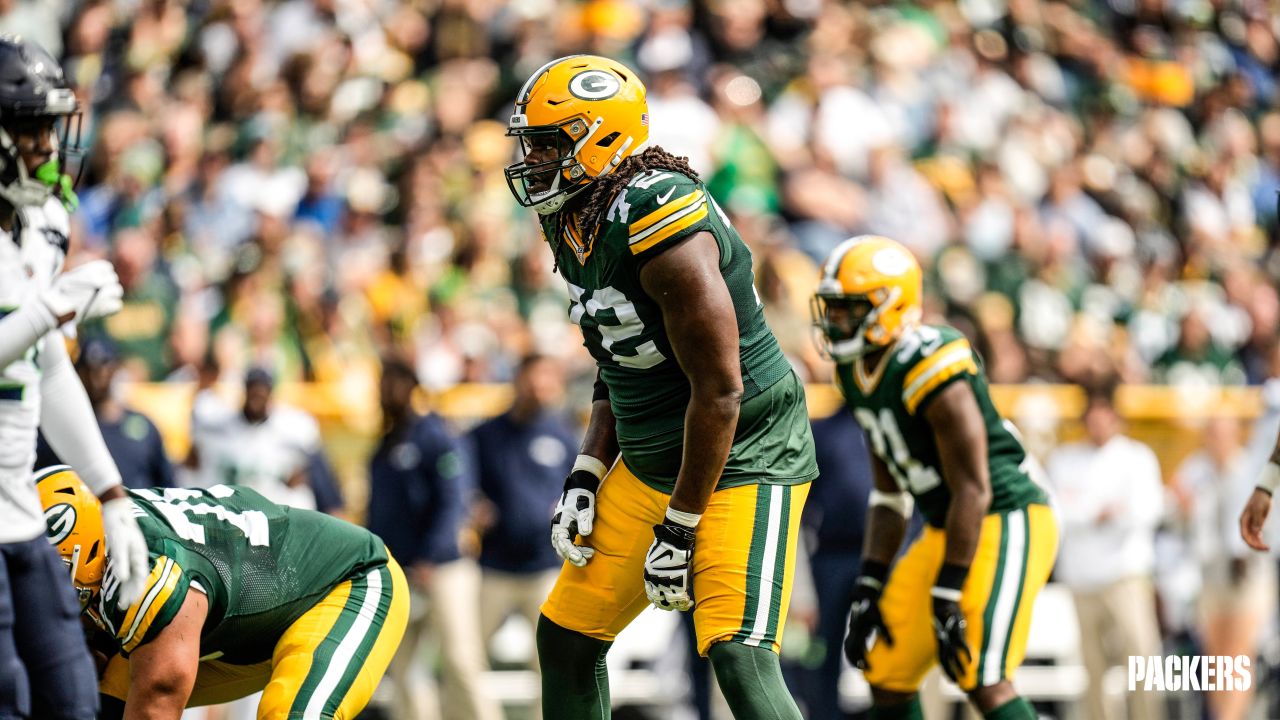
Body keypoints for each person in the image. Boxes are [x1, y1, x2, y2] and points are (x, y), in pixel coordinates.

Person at [505, 55, 819, 720]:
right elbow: (616, 354)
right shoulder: (574, 214)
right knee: (565, 639)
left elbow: (722, 391)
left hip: (743, 454)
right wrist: (589, 470)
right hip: (655, 456)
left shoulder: (659, 217)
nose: (534, 160)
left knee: (738, 654)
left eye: (549, 144)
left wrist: (679, 530)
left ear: (604, 139)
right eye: (530, 144)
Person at [811, 235, 1057, 720]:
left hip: (1005, 516)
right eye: (832, 309)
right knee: (886, 669)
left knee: (981, 675)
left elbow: (974, 486)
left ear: (890, 307)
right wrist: (871, 579)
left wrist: (948, 590)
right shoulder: (854, 371)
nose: (835, 321)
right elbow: (888, 494)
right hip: (949, 525)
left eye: (849, 309)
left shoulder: (932, 362)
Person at [0, 35, 150, 720]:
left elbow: (43, 362)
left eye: (50, 126)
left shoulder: (41, 220)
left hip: (21, 513)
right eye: (31, 127)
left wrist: (110, 490)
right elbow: (34, 327)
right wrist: (51, 309)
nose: (48, 144)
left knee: (72, 702)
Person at [35, 464, 407, 719]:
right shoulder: (105, 535)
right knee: (97, 698)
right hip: (242, 622)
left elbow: (156, 705)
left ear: (94, 552)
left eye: (52, 571)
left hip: (345, 585)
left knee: (290, 713)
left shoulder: (152, 576)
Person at [367, 355, 500, 720]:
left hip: (445, 569)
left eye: (393, 383)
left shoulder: (436, 435)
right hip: (400, 570)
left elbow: (453, 501)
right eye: (382, 383)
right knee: (403, 668)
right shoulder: (386, 443)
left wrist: (431, 554)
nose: (385, 392)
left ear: (412, 387)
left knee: (461, 660)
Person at [1046, 381, 1163, 720]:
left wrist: (1092, 512)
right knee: (1093, 671)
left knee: (1142, 661)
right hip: (1083, 581)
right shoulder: (1064, 459)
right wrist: (1100, 512)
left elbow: (1146, 511)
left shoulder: (1137, 457)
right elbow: (1058, 512)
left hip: (1125, 577)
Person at [468, 353, 576, 715]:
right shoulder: (486, 434)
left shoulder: (562, 434)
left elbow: (582, 486)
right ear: (517, 380)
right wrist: (473, 504)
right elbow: (461, 481)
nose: (539, 387)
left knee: (548, 661)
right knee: (466, 655)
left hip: (544, 565)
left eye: (547, 379)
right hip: (494, 565)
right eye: (533, 378)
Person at [1174, 417, 1271, 720]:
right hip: (1210, 573)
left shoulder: (1250, 469)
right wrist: (1183, 509)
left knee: (1239, 654)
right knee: (1216, 658)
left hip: (1246, 573)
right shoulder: (1195, 470)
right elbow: (1181, 525)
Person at [797, 404, 875, 720]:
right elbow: (803, 504)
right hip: (832, 553)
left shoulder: (886, 427)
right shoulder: (824, 431)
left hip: (883, 555)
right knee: (825, 646)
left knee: (890, 646)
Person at [35, 334, 174, 489]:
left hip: (135, 510)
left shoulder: (144, 427)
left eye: (105, 365)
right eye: (89, 368)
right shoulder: (64, 427)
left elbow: (166, 484)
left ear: (117, 368)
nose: (98, 376)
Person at [187, 367, 321, 509]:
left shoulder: (292, 428)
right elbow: (193, 457)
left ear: (271, 392)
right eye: (253, 388)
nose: (257, 394)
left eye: (263, 389)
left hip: (274, 508)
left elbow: (304, 472)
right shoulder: (219, 425)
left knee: (300, 499)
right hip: (231, 508)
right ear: (245, 390)